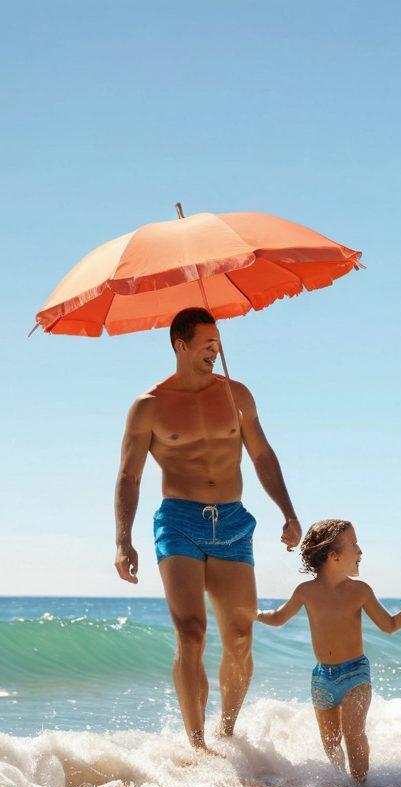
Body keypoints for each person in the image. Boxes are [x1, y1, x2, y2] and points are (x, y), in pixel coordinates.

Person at [114, 307, 301, 752]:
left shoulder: (237, 394)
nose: (216, 351)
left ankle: (226, 734)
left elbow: (262, 455)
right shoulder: (149, 406)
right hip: (179, 521)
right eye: (207, 344)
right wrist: (123, 539)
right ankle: (197, 746)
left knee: (240, 637)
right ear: (181, 345)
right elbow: (129, 475)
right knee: (191, 632)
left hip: (233, 521)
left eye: (218, 344)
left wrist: (288, 512)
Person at [256, 519, 401, 783]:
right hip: (322, 678)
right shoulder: (306, 591)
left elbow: (390, 625)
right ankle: (342, 786)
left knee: (353, 733)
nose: (360, 551)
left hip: (355, 674)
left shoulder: (360, 591)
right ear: (334, 556)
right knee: (330, 741)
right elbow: (279, 618)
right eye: (354, 544)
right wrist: (254, 614)